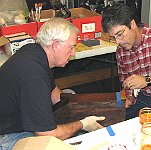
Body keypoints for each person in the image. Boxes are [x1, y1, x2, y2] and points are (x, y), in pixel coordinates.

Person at [0, 18, 105, 150]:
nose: (73, 53)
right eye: (71, 47)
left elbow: (54, 94)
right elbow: (46, 134)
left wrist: (80, 107)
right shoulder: (34, 75)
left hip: (17, 123)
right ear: (55, 45)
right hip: (8, 136)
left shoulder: (35, 52)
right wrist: (82, 124)